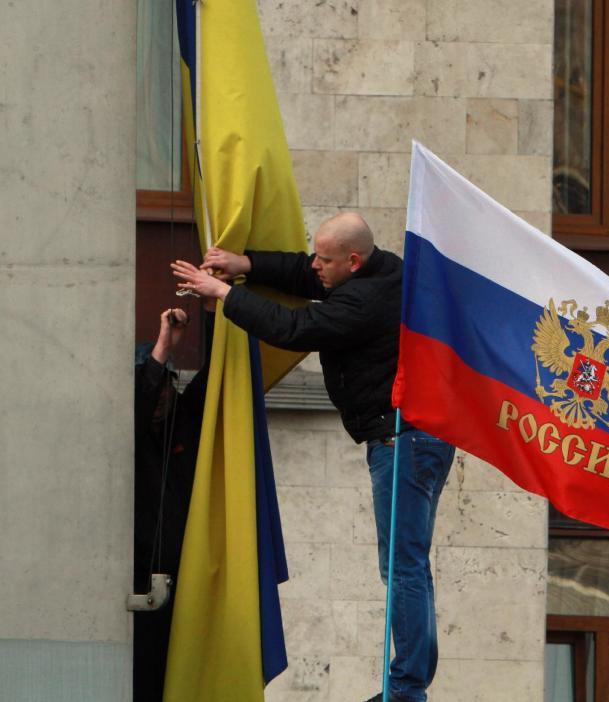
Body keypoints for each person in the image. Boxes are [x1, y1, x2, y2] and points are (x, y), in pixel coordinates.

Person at [170, 212, 455, 702]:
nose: (315, 265)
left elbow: (295, 327)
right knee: (408, 563)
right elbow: (306, 274)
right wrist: (248, 263)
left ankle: (407, 691)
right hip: (408, 438)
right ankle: (408, 685)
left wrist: (224, 293)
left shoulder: (365, 300)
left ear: (353, 260)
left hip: (402, 441)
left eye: (325, 258)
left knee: (403, 566)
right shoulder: (375, 269)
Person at [134, 304, 213, 702]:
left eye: (167, 384)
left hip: (189, 580)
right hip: (139, 585)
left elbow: (220, 373)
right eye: (153, 385)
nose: (160, 395)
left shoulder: (183, 418)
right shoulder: (128, 432)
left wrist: (217, 307)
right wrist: (164, 344)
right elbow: (140, 400)